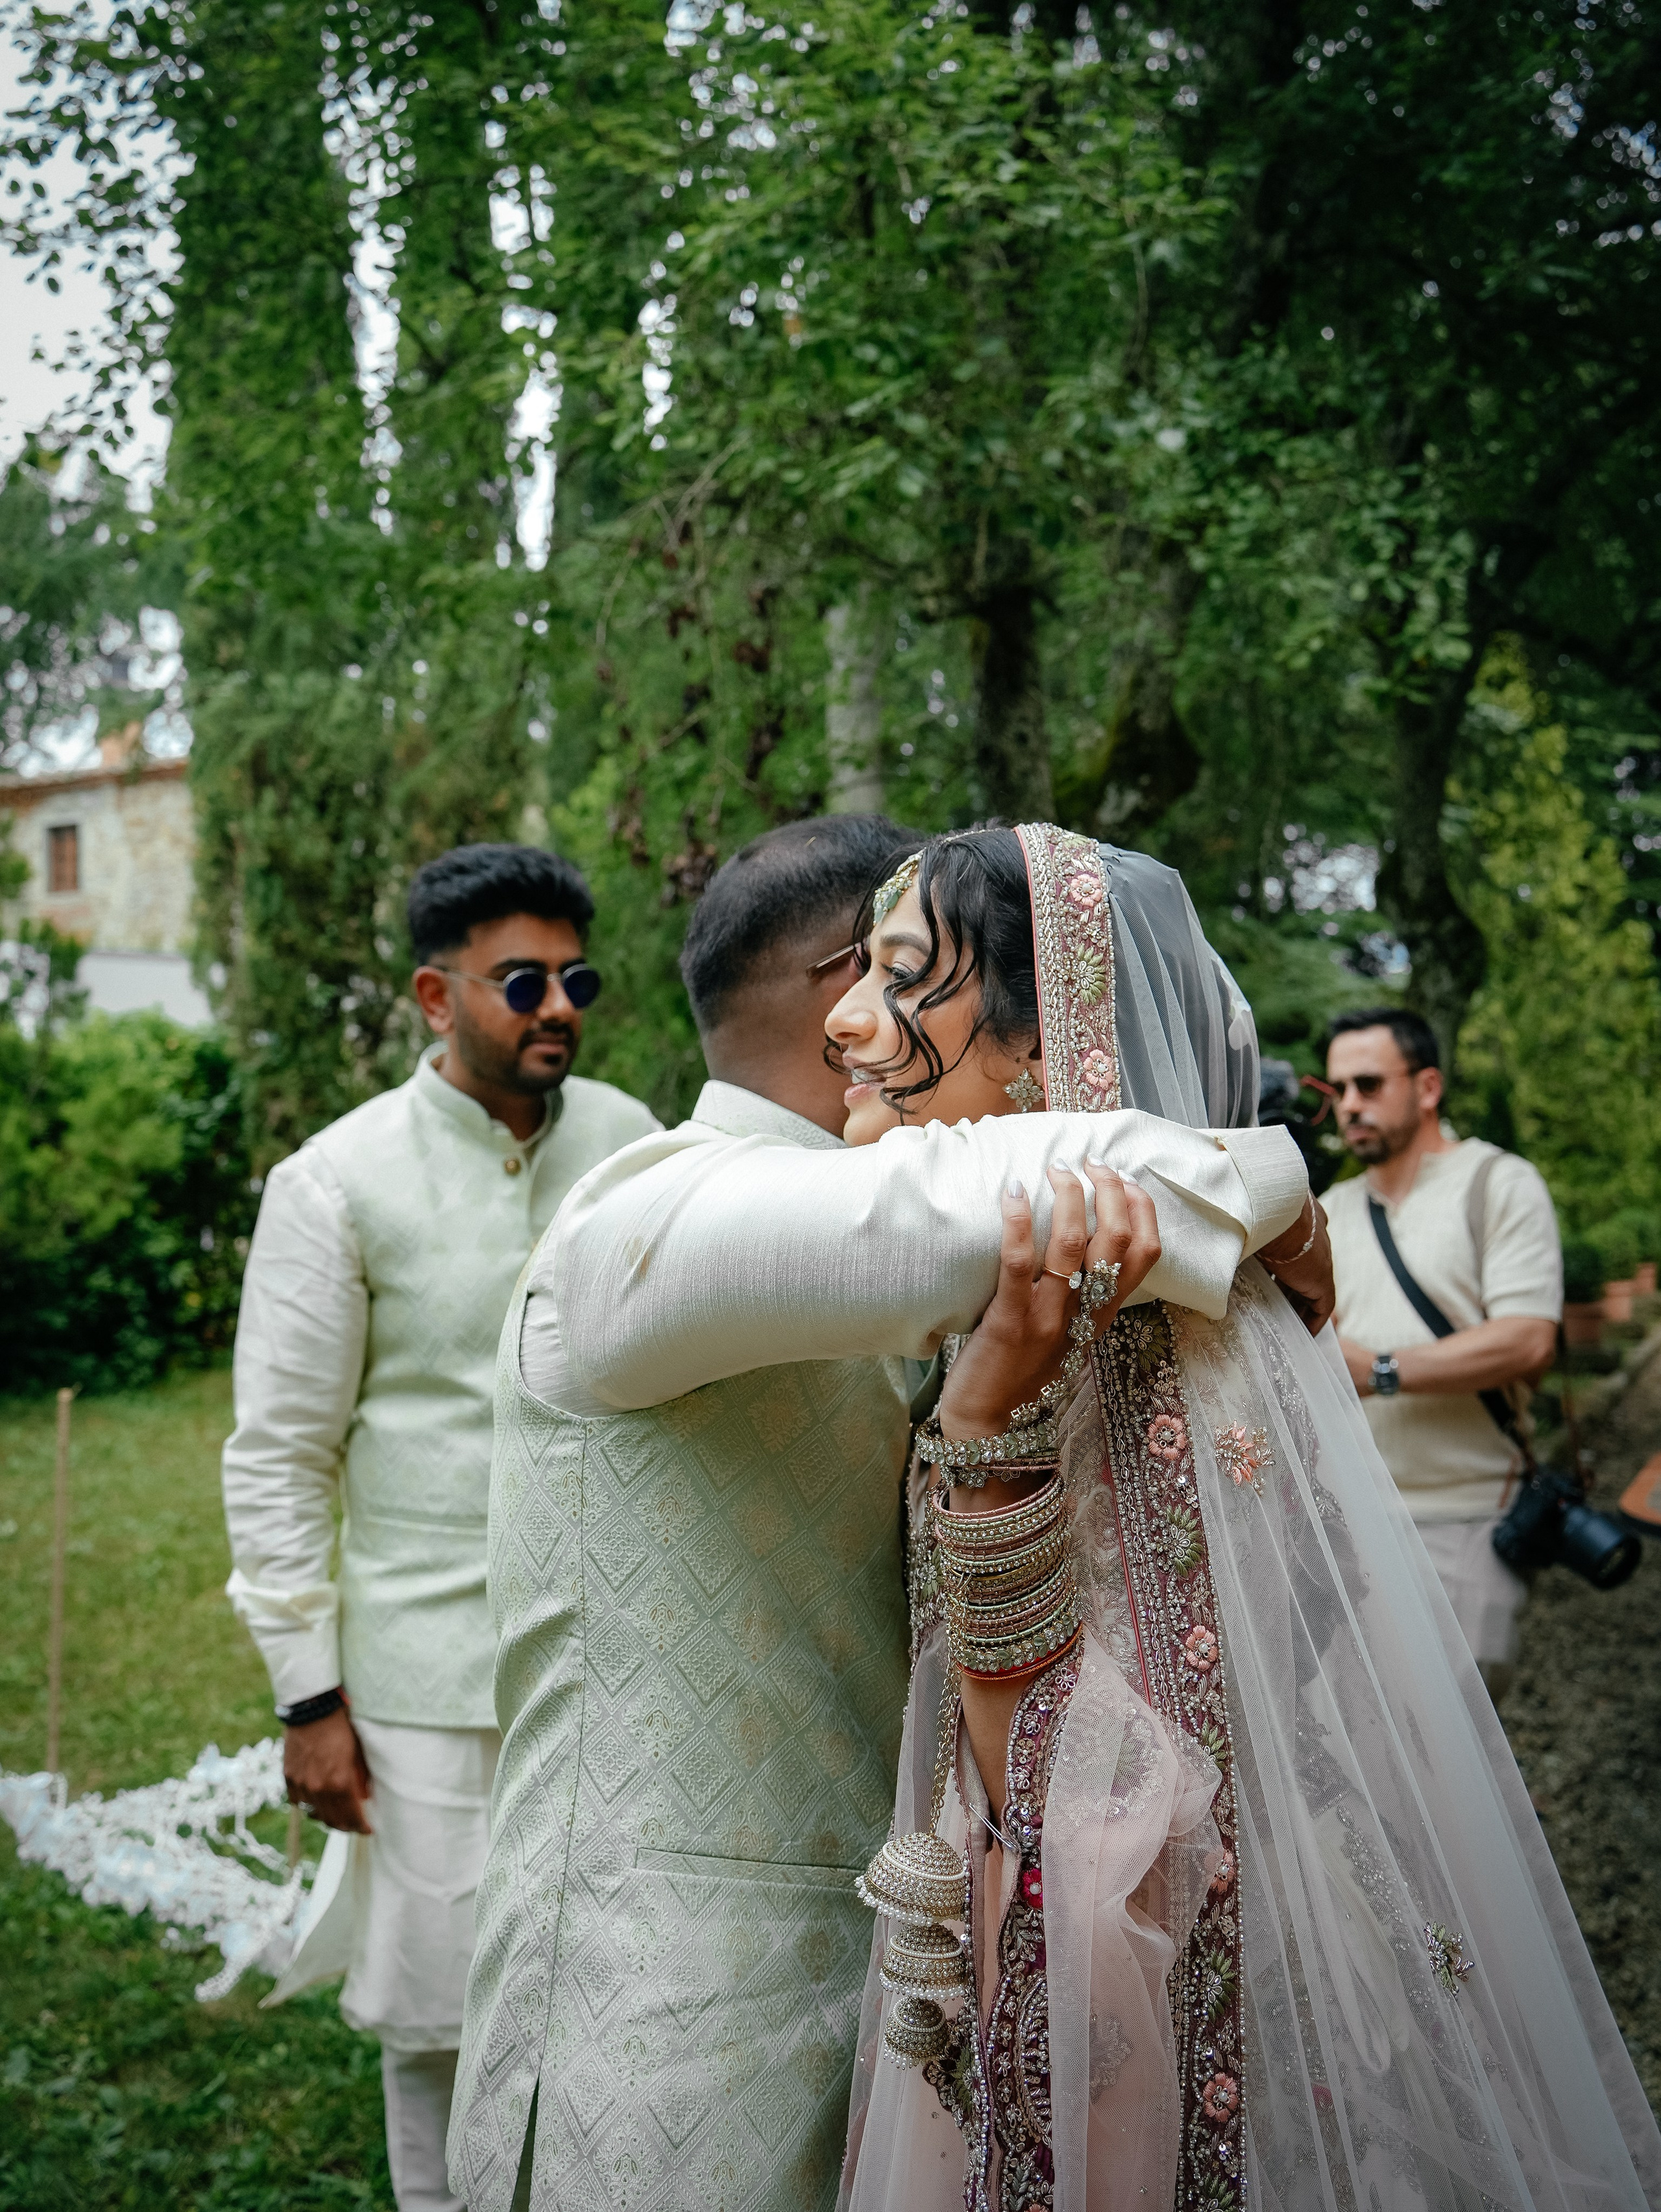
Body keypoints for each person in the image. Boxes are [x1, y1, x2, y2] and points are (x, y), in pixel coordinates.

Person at [446, 815, 1318, 2212]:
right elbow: (989, 1209)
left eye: (914, 968)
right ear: (834, 987)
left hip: (946, 2005)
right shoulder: (640, 1223)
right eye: (886, 962)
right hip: (671, 2030)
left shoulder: (970, 1276)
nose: (871, 1009)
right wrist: (1271, 1187)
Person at [829, 827, 1658, 2212]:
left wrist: (983, 1435)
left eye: (903, 974)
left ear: (1045, 1046)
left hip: (1117, 1951)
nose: (847, 1019)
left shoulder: (1093, 1315)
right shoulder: (1100, 1275)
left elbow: (1069, 1784)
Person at [221, 843, 660, 2212]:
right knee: (437, 2010)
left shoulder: (635, 1145)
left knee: (612, 1980)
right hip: (423, 1674)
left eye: (576, 978)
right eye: (521, 981)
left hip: (617, 1653)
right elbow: (279, 1456)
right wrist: (310, 1699)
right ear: (433, 994)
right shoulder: (335, 1182)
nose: (558, 1006)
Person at [1321, 1007, 1561, 1700]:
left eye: (1368, 1084)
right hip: (1352, 1527)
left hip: (1470, 1517)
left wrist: (1381, 1371)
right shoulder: (1326, 1209)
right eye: (1338, 1090)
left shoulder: (1498, 1182)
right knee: (1369, 1743)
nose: (1350, 1104)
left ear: (1427, 1087)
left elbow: (1527, 1338)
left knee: (1465, 1745)